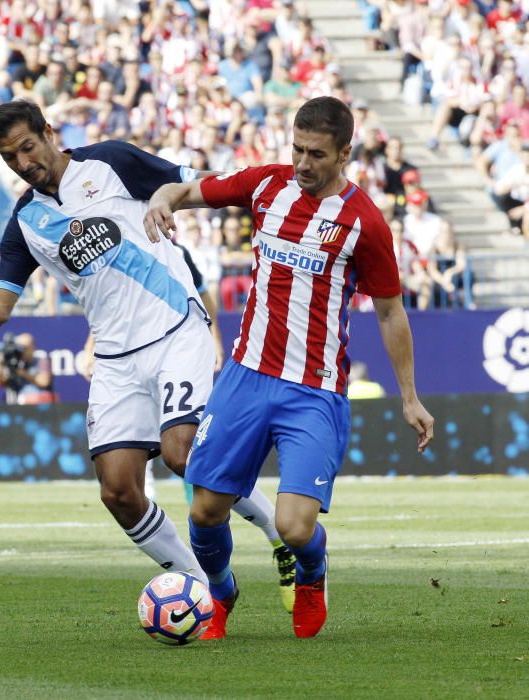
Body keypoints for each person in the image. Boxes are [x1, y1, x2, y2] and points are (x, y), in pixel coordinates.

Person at [0, 100, 296, 611]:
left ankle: (279, 538)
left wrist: (233, 197)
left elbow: (194, 181)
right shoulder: (25, 222)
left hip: (175, 327)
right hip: (115, 356)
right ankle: (202, 584)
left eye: (28, 147)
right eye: (10, 158)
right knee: (118, 492)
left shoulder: (109, 161)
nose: (23, 162)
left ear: (49, 133)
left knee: (184, 454)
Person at [144, 96, 434, 640]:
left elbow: (392, 312)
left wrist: (410, 397)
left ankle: (312, 572)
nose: (302, 163)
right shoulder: (265, 185)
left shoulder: (364, 223)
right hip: (245, 377)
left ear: (345, 152)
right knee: (205, 511)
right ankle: (220, 593)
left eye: (316, 154)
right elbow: (187, 190)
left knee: (294, 526)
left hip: (314, 391)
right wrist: (164, 197)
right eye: (297, 149)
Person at [0, 331, 56, 405]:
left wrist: (21, 372)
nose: (22, 351)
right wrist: (1, 365)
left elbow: (44, 382)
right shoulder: (15, 363)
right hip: (20, 408)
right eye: (20, 348)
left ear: (33, 347)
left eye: (25, 348)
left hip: (40, 406)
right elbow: (0, 383)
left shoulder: (43, 361)